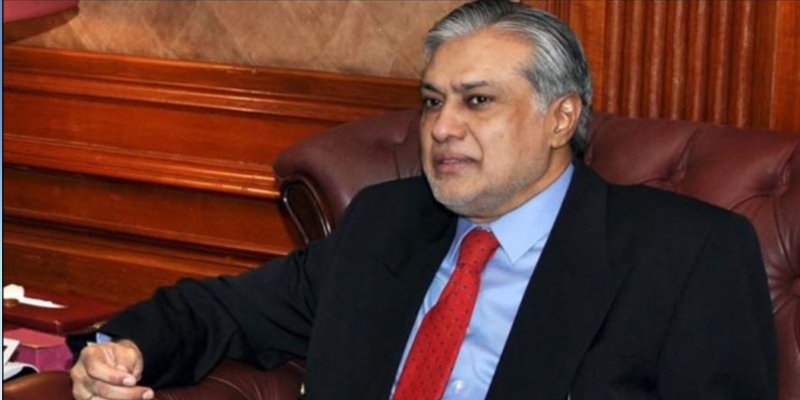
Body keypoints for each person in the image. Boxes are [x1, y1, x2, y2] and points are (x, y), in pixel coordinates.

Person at [70, 1, 777, 399]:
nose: (442, 127)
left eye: (478, 101)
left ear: (560, 118)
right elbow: (224, 311)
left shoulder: (685, 254)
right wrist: (124, 349)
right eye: (434, 101)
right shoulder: (387, 223)